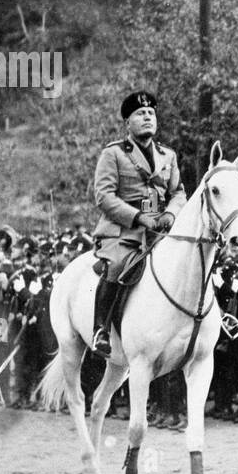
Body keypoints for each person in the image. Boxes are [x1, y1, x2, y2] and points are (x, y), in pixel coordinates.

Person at [89, 91, 186, 357]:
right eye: (140, 114)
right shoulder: (115, 153)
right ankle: (101, 329)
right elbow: (104, 196)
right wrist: (137, 216)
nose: (147, 117)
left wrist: (172, 214)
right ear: (127, 123)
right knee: (119, 264)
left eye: (151, 113)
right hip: (123, 232)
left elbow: (178, 191)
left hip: (159, 231)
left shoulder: (168, 155)